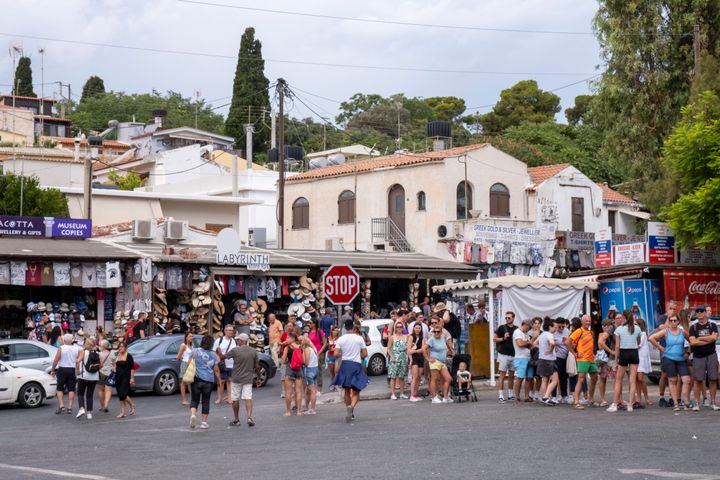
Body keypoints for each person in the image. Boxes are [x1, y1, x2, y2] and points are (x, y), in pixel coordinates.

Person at [650, 314, 692, 412]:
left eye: (675, 320)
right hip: (669, 358)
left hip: (681, 358)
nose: (673, 322)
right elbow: (651, 338)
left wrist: (688, 352)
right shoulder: (665, 332)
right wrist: (660, 347)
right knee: (672, 381)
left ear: (678, 322)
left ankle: (686, 402)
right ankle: (676, 404)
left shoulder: (682, 332)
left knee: (686, 380)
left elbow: (691, 341)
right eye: (671, 320)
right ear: (669, 321)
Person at [331, 319, 369, 422]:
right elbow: (365, 354)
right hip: (356, 364)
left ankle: (349, 409)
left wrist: (343, 353)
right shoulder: (359, 338)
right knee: (356, 391)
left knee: (347, 390)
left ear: (344, 328)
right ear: (353, 327)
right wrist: (357, 354)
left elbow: (335, 354)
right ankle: (351, 407)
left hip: (345, 365)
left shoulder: (341, 339)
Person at [607, 313, 641, 412]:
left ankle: (615, 404)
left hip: (624, 352)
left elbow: (617, 346)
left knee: (618, 380)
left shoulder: (619, 329)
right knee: (632, 380)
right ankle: (630, 404)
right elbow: (639, 341)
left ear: (624, 318)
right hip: (634, 352)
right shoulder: (637, 328)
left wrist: (616, 359)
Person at [225, 333, 261, 427]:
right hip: (248, 378)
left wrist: (219, 352)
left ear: (240, 341)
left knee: (235, 398)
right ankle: (249, 417)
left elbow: (223, 357)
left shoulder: (235, 350)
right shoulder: (253, 351)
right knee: (248, 397)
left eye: (238, 340)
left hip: (236, 378)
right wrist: (258, 377)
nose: (237, 341)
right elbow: (257, 366)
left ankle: (237, 419)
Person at [688, 305, 719, 411]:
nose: (700, 313)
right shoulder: (693, 327)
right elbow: (693, 342)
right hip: (698, 356)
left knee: (713, 379)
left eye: (702, 311)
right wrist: (708, 339)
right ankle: (697, 403)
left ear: (706, 313)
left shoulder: (712, 325)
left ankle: (713, 402)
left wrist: (700, 338)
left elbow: (714, 338)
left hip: (711, 354)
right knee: (698, 380)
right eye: (697, 311)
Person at [189, 335, 222, 429]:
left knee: (194, 400)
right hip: (208, 380)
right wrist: (219, 380)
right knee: (206, 401)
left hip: (197, 379)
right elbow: (216, 369)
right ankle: (203, 423)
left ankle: (193, 415)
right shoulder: (213, 354)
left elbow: (188, 363)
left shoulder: (195, 351)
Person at [567, 314, 598, 410]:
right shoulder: (578, 331)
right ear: (582, 322)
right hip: (582, 359)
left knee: (594, 378)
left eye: (589, 321)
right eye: (586, 321)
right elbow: (567, 342)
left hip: (591, 359)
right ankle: (576, 401)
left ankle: (591, 399)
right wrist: (574, 353)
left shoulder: (590, 332)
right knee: (581, 379)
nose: (588, 322)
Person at [423, 322, 454, 404]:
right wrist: (428, 358)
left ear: (441, 332)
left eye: (438, 331)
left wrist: (450, 351)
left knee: (448, 379)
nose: (436, 333)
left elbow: (448, 345)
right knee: (435, 379)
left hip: (442, 361)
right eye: (434, 331)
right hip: (435, 361)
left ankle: (445, 397)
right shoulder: (431, 339)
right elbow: (424, 349)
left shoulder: (443, 337)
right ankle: (434, 397)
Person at [50, 333, 80, 415]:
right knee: (71, 389)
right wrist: (78, 370)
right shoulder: (76, 349)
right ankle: (69, 407)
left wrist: (53, 369)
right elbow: (77, 361)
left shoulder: (61, 348)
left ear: (64, 340)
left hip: (62, 369)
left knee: (59, 388)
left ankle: (61, 405)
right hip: (71, 369)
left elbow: (56, 359)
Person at [656, 300, 678, 406]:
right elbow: (662, 328)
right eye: (671, 308)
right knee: (664, 374)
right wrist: (669, 318)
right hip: (665, 348)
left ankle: (672, 397)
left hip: (675, 348)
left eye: (674, 309)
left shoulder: (676, 319)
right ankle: (661, 397)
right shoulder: (662, 317)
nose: (673, 311)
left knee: (673, 374)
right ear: (667, 308)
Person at [493, 311, 517, 403]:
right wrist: (503, 338)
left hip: (513, 354)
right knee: (502, 375)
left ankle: (510, 394)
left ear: (513, 318)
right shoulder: (502, 328)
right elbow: (494, 339)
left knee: (511, 375)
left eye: (509, 318)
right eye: (506, 318)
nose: (507, 319)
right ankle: (501, 395)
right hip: (503, 354)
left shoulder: (516, 329)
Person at [75, 337, 100, 420]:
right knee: (90, 395)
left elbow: (78, 361)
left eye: (85, 343)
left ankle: (82, 408)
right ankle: (89, 413)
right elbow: (101, 365)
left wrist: (77, 370)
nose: (84, 344)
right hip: (94, 376)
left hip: (84, 375)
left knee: (80, 393)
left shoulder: (83, 352)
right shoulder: (97, 353)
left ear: (88, 344)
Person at [536, 318, 559, 406]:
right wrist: (550, 350)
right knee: (555, 380)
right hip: (549, 360)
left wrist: (543, 348)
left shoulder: (542, 335)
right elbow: (552, 343)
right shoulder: (549, 335)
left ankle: (545, 397)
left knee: (544, 380)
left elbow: (534, 343)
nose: (556, 329)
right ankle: (546, 397)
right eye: (555, 327)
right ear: (550, 327)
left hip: (542, 359)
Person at [282, 331, 305, 417]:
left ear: (292, 339)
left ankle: (288, 411)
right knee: (298, 391)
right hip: (299, 369)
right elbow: (304, 361)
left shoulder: (287, 348)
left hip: (290, 369)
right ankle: (299, 411)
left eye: (288, 338)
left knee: (288, 392)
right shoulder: (300, 347)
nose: (286, 339)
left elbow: (284, 361)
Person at [214, 325, 237, 405]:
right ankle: (219, 398)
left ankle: (229, 398)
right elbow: (214, 352)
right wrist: (217, 362)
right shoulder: (219, 340)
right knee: (221, 382)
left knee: (230, 381)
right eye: (229, 330)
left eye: (232, 330)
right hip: (222, 365)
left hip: (232, 364)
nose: (231, 332)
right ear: (225, 331)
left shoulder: (234, 341)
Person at [387, 320, 410, 400]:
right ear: (395, 328)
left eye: (401, 327)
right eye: (397, 327)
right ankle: (393, 394)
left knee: (402, 377)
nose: (399, 328)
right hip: (395, 358)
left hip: (403, 358)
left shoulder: (406, 337)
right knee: (393, 376)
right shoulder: (392, 337)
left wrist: (409, 357)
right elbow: (389, 349)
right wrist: (392, 357)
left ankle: (402, 393)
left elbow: (409, 347)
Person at [512, 319, 534, 403]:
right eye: (529, 327)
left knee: (529, 378)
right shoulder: (517, 332)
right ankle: (517, 396)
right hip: (520, 357)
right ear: (525, 324)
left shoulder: (526, 334)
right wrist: (528, 342)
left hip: (528, 357)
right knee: (520, 377)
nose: (529, 329)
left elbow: (529, 344)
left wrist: (529, 342)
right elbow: (520, 344)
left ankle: (526, 396)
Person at [113, 341, 136, 418]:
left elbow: (132, 368)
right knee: (121, 395)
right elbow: (115, 365)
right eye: (119, 346)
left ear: (126, 348)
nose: (120, 348)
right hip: (118, 377)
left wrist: (132, 378)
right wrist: (114, 368)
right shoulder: (117, 355)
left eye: (122, 346)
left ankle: (132, 405)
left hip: (126, 377)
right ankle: (123, 412)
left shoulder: (129, 356)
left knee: (123, 394)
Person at [596, 319, 615, 407]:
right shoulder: (601, 334)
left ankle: (617, 399)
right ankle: (603, 399)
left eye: (606, 325)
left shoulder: (613, 334)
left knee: (615, 379)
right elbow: (600, 346)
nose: (604, 327)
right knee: (603, 379)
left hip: (611, 359)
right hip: (603, 359)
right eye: (603, 325)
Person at [635, 318, 652, 408]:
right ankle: (638, 398)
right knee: (636, 379)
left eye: (636, 324)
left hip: (641, 358)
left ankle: (646, 397)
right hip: (636, 357)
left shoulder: (643, 334)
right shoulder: (635, 334)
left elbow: (638, 345)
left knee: (640, 378)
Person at [553, 318, 570, 404]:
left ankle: (564, 395)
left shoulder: (567, 331)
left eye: (563, 326)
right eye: (559, 326)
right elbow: (552, 341)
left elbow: (569, 340)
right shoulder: (554, 331)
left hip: (565, 357)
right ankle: (553, 396)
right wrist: (560, 341)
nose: (561, 328)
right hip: (557, 357)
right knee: (555, 378)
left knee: (564, 377)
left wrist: (564, 341)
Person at [307, 318, 327, 392]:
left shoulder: (319, 331)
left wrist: (319, 352)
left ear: (315, 324)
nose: (309, 324)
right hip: (310, 354)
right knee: (311, 371)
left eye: (311, 322)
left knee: (318, 371)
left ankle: (319, 388)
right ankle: (313, 387)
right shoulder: (309, 332)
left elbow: (325, 343)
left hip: (318, 353)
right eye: (309, 323)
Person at [301, 337, 319, 414]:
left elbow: (306, 362)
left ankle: (312, 409)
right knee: (308, 390)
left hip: (309, 369)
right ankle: (306, 407)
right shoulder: (313, 349)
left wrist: (301, 359)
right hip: (315, 368)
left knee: (312, 390)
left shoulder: (306, 350)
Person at [408, 322, 425, 402]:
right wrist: (411, 360)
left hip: (420, 358)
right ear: (414, 328)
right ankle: (411, 395)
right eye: (416, 328)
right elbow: (408, 350)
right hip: (414, 358)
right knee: (414, 377)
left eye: (419, 328)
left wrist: (414, 351)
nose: (417, 329)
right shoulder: (411, 337)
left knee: (419, 377)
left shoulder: (422, 337)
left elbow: (422, 349)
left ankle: (415, 394)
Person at [97, 339, 115, 413]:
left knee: (101, 390)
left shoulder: (99, 354)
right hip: (110, 373)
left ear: (103, 346)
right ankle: (106, 404)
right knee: (108, 390)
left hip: (101, 373)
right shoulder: (112, 353)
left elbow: (99, 365)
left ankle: (102, 406)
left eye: (100, 345)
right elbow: (114, 364)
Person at [176, 332, 194, 406]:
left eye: (192, 336)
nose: (191, 337)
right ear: (186, 337)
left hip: (191, 365)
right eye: (190, 336)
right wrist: (184, 361)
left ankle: (193, 399)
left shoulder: (191, 346)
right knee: (184, 383)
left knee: (190, 382)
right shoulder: (183, 345)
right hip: (185, 364)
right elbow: (178, 357)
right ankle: (184, 400)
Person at [326, 326, 340, 392]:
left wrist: (337, 349)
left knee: (336, 371)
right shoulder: (328, 338)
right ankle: (333, 384)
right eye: (334, 330)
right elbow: (327, 347)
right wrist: (330, 348)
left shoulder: (339, 338)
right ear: (332, 331)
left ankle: (336, 384)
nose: (336, 332)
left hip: (337, 356)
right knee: (331, 372)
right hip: (330, 355)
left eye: (337, 331)